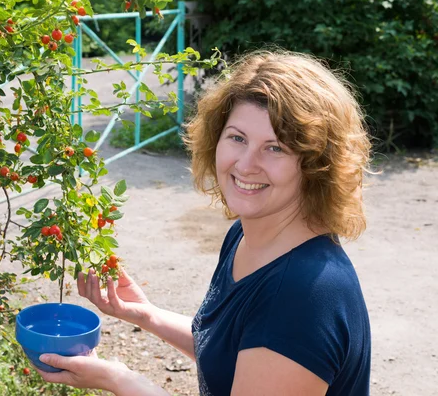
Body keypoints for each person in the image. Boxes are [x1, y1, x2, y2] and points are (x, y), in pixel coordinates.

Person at [34, 49, 373, 396]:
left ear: (317, 163)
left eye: (276, 148)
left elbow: (271, 334)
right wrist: (146, 315)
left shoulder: (301, 297)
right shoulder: (246, 236)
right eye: (237, 138)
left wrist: (121, 381)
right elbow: (233, 354)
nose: (246, 164)